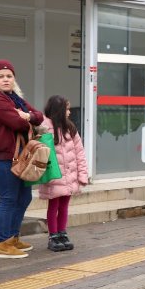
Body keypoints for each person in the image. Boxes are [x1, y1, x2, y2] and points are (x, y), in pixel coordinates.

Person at [0, 59, 44, 258]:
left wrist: (27, 116)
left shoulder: (15, 98)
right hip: (4, 157)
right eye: (1, 76)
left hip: (21, 157)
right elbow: (17, 124)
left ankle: (13, 237)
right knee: (8, 199)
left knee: (23, 197)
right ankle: (3, 243)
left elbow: (39, 116)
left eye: (9, 76)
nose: (6, 79)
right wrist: (26, 118)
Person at [37, 95, 89, 252]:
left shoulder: (70, 128)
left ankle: (62, 233)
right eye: (67, 108)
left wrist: (82, 175)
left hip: (69, 177)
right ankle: (53, 236)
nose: (69, 112)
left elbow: (80, 153)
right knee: (53, 206)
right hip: (54, 177)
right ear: (59, 110)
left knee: (64, 206)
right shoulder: (44, 128)